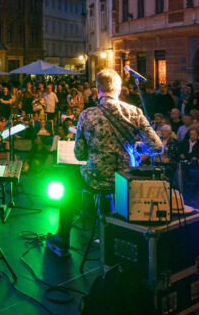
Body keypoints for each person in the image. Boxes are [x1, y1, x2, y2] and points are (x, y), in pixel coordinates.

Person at [45, 69, 162, 258]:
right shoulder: (134, 112)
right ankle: (111, 236)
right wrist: (137, 148)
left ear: (97, 90)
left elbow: (79, 154)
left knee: (66, 183)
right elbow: (156, 147)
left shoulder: (87, 114)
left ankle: (62, 239)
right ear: (118, 89)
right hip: (125, 181)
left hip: (95, 178)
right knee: (109, 189)